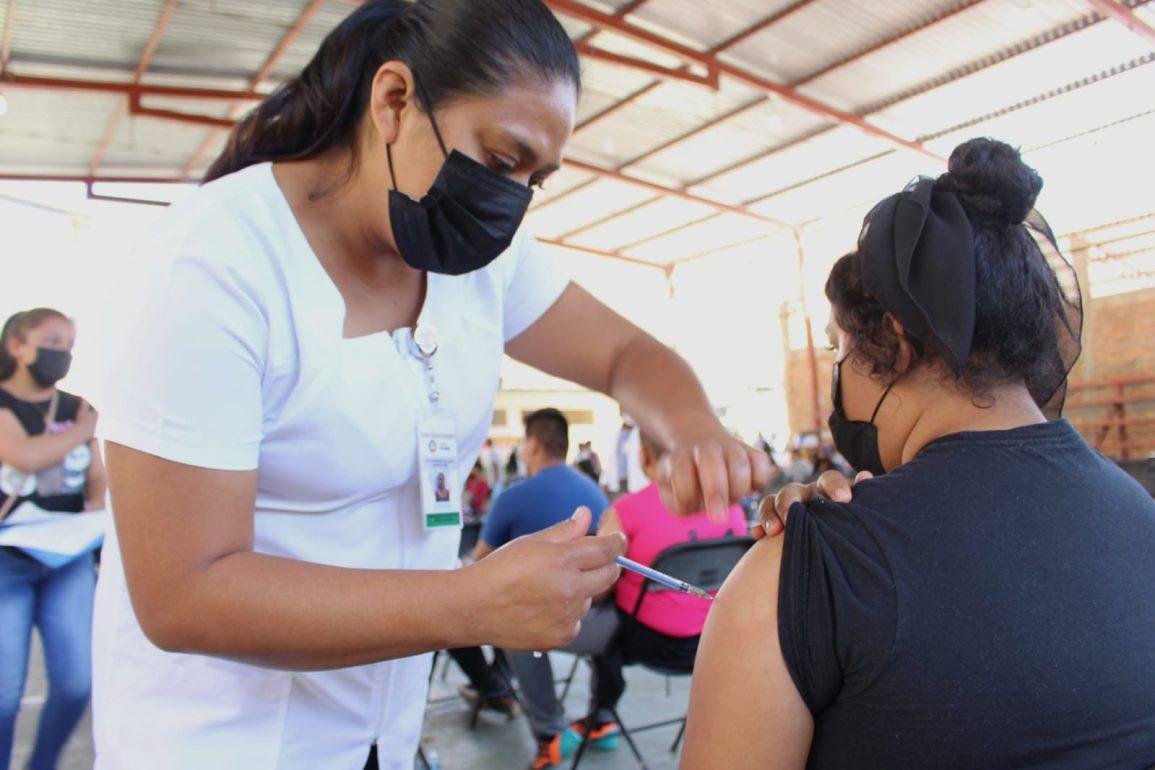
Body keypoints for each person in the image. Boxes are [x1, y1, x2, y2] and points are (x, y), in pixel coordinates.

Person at [92, 2, 770, 768]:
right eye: (500, 160)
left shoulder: (481, 262)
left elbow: (624, 354)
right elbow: (184, 593)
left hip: (383, 727)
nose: (510, 203)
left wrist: (691, 425)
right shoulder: (213, 266)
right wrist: (471, 604)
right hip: (225, 744)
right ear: (393, 101)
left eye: (534, 180)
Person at [682, 138, 1155, 769]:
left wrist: (811, 557)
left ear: (894, 344)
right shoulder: (1139, 514)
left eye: (838, 350)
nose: (838, 374)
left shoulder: (801, 573)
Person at [564, 431, 747, 753]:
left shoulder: (628, 509)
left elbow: (599, 585)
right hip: (714, 641)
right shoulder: (729, 505)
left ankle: (603, 712)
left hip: (646, 642)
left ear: (644, 457)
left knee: (597, 620)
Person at [470, 408, 610, 769]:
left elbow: (480, 565)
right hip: (602, 624)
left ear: (532, 444)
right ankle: (603, 715)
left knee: (511, 624)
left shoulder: (514, 496)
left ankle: (548, 730)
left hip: (556, 624)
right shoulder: (594, 491)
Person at [0, 308, 105, 770]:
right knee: (4, 693)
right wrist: (85, 429)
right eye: (52, 342)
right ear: (17, 346)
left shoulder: (74, 403)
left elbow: (97, 476)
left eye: (68, 345)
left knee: (77, 683)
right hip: (9, 559)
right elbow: (23, 455)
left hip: (68, 557)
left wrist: (97, 507)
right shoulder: (9, 406)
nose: (61, 354)